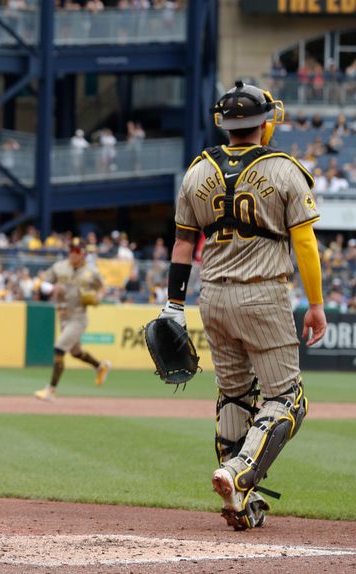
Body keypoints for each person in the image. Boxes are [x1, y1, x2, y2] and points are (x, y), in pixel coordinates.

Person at [160, 81, 327, 531]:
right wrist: (316, 303)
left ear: (224, 124)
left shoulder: (196, 170)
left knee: (234, 393)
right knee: (287, 399)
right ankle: (238, 472)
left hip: (212, 296)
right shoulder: (284, 168)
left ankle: (239, 499)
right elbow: (305, 242)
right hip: (263, 295)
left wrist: (174, 305)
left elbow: (181, 243)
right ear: (264, 121)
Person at [34, 238, 111, 401]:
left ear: (82, 254)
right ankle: (100, 366)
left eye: (75, 251)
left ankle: (51, 390)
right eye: (71, 250)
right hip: (63, 315)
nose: (72, 254)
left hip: (78, 317)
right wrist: (51, 287)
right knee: (75, 352)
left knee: (59, 348)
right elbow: (41, 283)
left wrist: (97, 297)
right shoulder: (60, 267)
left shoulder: (91, 272)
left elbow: (102, 288)